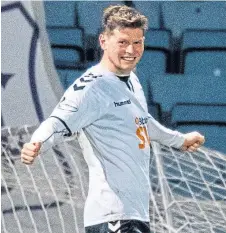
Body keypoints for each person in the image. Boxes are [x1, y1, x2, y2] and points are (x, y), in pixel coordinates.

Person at [21, 5, 205, 233]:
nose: (131, 50)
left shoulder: (131, 80)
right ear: (103, 41)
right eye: (123, 42)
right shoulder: (92, 87)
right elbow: (58, 122)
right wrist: (37, 143)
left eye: (138, 42)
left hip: (134, 214)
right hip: (112, 217)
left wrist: (179, 140)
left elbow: (141, 121)